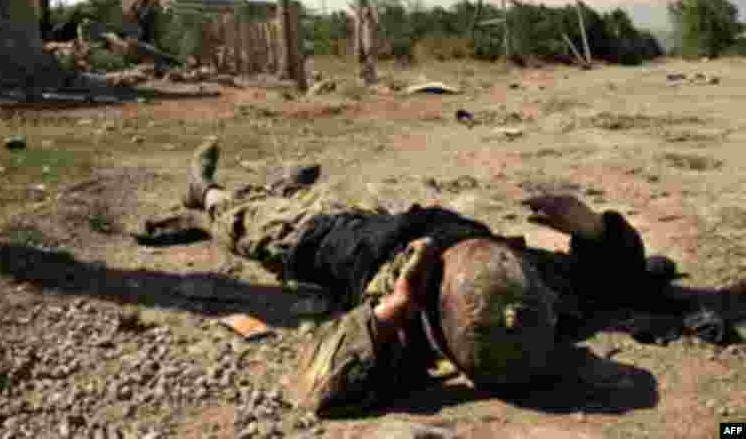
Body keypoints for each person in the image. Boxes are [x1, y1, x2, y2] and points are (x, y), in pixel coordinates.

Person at [174, 136, 741, 417]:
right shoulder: (537, 290)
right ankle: (285, 184)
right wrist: (592, 228)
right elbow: (614, 282)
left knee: (259, 222)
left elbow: (318, 388)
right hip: (394, 218)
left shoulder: (405, 309)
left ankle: (205, 192)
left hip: (333, 238)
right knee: (320, 199)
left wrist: (390, 312)